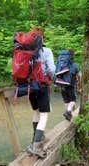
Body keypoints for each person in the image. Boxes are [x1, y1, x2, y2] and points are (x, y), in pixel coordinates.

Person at [27, 26, 56, 157]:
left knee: (36, 112)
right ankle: (36, 145)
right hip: (42, 86)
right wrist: (52, 77)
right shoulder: (47, 51)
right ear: (42, 37)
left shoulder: (25, 51)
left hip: (29, 87)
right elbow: (51, 69)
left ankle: (34, 140)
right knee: (44, 115)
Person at [56, 49, 80, 121]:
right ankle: (68, 111)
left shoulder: (59, 65)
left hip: (61, 85)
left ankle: (68, 115)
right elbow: (79, 76)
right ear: (72, 57)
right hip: (70, 85)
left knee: (66, 101)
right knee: (73, 100)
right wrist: (79, 83)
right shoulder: (75, 65)